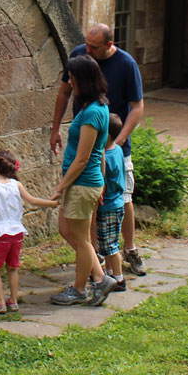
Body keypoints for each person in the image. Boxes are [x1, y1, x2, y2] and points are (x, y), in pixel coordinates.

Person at [51, 23, 146, 276]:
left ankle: (129, 249)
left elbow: (137, 107)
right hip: (90, 144)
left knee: (121, 197)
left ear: (109, 45)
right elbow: (63, 93)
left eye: (94, 46)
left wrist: (119, 140)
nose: (87, 50)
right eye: (86, 44)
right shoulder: (80, 57)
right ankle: (97, 257)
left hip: (113, 145)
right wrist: (55, 128)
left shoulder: (126, 65)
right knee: (94, 206)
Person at [49, 54, 118, 307]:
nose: (69, 81)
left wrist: (60, 187)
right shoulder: (94, 107)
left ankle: (80, 289)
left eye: (71, 77)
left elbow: (83, 159)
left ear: (82, 79)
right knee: (68, 231)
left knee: (81, 240)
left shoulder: (92, 114)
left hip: (82, 183)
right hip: (86, 184)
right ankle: (100, 278)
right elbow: (98, 154)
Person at [0, 150, 58, 315]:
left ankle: (0, 303)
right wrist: (53, 203)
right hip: (17, 232)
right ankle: (13, 301)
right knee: (13, 268)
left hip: (0, 233)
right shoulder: (17, 184)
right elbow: (32, 200)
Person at [97, 113, 127, 291]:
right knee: (106, 243)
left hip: (109, 206)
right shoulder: (117, 149)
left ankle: (119, 278)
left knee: (110, 245)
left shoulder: (106, 158)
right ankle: (109, 273)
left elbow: (104, 183)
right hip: (116, 204)